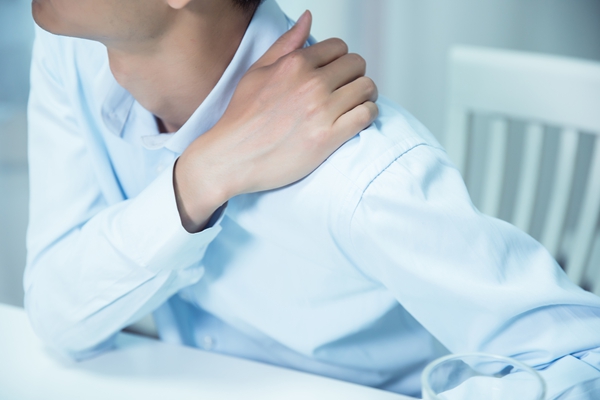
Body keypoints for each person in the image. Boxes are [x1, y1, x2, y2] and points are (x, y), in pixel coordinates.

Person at [25, 0, 600, 398]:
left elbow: (582, 359)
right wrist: (201, 176)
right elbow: (55, 315)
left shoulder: (366, 177)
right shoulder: (70, 53)